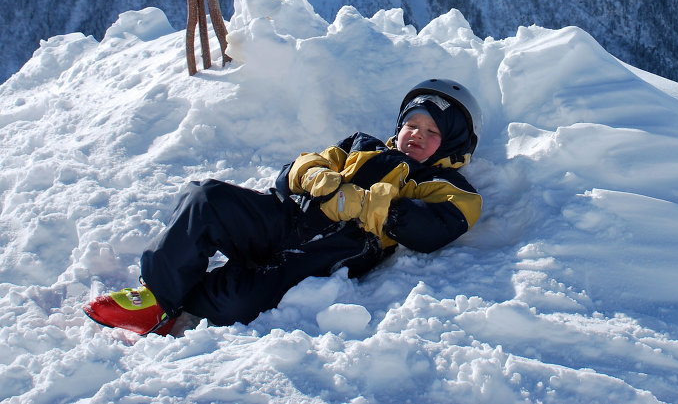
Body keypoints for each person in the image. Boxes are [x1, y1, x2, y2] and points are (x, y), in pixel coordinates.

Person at [84, 79, 483, 335]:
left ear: (452, 145)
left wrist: (363, 205)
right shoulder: (362, 144)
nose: (417, 135)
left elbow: (433, 228)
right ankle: (156, 297)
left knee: (236, 303)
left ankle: (179, 304)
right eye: (412, 124)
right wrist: (311, 177)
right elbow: (300, 166)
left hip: (334, 249)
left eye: (432, 132)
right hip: (289, 216)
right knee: (205, 199)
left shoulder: (449, 187)